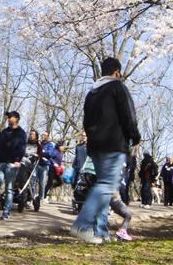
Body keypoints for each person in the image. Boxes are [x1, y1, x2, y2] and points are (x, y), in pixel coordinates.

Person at [71, 57, 141, 244]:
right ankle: (83, 225)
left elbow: (86, 122)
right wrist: (135, 136)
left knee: (102, 188)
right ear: (117, 72)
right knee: (107, 186)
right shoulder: (117, 88)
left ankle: (100, 231)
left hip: (95, 146)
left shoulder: (91, 93)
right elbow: (128, 114)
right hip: (113, 143)